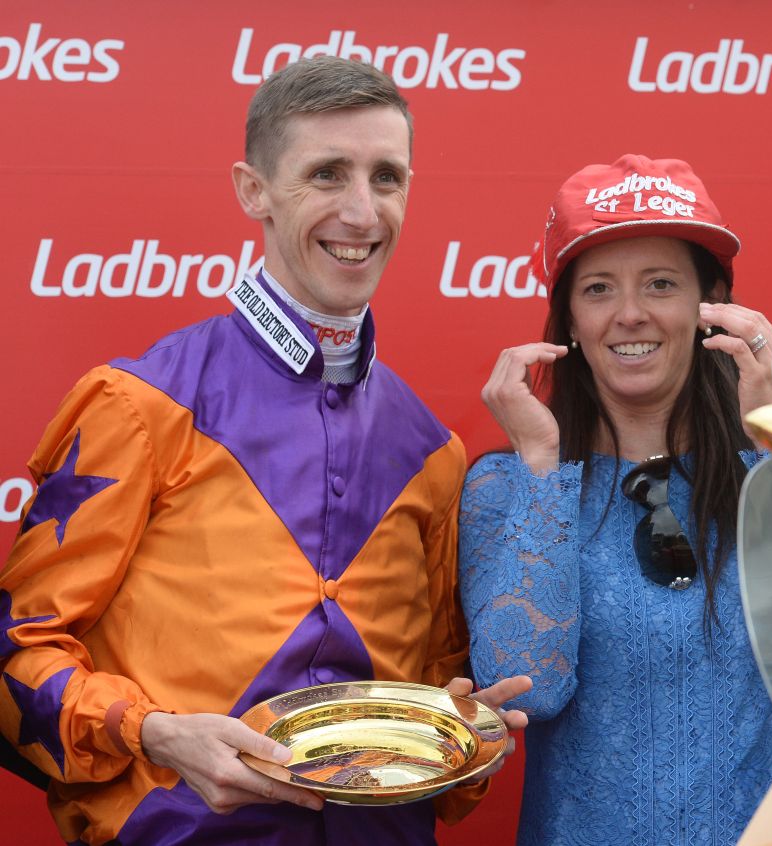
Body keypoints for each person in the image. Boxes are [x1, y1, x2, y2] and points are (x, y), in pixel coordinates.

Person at [0, 57, 530, 846]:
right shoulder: (138, 403)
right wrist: (158, 734)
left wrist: (462, 729)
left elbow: (437, 705)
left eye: (386, 177)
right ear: (253, 191)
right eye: (326, 174)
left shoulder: (433, 450)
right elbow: (15, 662)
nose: (362, 211)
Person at [457, 154, 772, 845]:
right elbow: (530, 687)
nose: (631, 314)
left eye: (661, 284)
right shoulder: (510, 484)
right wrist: (544, 467)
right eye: (599, 289)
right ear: (568, 322)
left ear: (710, 307)